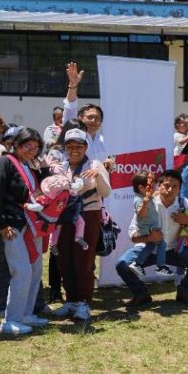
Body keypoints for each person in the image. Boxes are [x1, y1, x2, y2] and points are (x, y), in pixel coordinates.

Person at [0, 127, 50, 335]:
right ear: (16, 145)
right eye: (27, 146)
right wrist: (2, 224)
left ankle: (26, 313)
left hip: (31, 224)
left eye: (36, 147)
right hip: (13, 225)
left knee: (35, 269)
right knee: (21, 270)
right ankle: (10, 319)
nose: (31, 150)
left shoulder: (29, 165)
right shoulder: (4, 162)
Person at [115, 169, 188, 307]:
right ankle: (141, 294)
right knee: (121, 265)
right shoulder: (146, 204)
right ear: (159, 186)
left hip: (175, 250)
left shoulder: (185, 204)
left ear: (179, 189)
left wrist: (187, 221)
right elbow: (132, 235)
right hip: (148, 249)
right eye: (166, 185)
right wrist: (148, 238)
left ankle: (183, 291)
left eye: (175, 186)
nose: (170, 189)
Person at [50, 128, 112, 322]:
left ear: (86, 147)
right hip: (64, 217)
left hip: (88, 215)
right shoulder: (61, 166)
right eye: (70, 146)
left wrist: (99, 175)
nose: (74, 150)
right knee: (64, 258)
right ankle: (71, 300)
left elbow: (106, 192)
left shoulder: (94, 164)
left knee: (83, 260)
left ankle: (84, 302)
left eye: (78, 146)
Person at [61, 62, 110, 163]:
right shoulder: (74, 134)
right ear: (80, 118)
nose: (93, 120)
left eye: (97, 118)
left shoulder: (105, 141)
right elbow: (70, 106)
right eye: (90, 117)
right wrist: (73, 84)